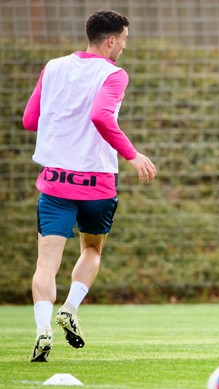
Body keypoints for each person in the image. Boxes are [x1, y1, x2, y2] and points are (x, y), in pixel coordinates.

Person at [22, 10, 157, 362]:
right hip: (96, 183)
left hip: (54, 183)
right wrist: (131, 154)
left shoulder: (52, 67)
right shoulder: (113, 74)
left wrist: (63, 130)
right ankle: (70, 308)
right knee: (92, 250)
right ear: (111, 40)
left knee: (46, 263)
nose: (124, 47)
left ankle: (42, 329)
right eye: (124, 41)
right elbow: (100, 115)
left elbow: (29, 120)